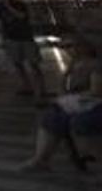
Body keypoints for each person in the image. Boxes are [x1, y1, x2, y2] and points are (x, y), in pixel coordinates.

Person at [20, 39, 102, 171]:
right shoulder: (74, 63)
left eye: (70, 46)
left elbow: (96, 91)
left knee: (80, 122)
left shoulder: (95, 65)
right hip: (79, 101)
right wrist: (64, 90)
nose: (66, 50)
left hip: (92, 102)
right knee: (51, 118)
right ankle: (41, 159)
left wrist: (73, 97)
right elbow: (64, 83)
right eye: (64, 47)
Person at [0, 0, 46, 98]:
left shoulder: (19, 4)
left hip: (25, 37)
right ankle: (26, 85)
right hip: (11, 38)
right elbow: (1, 23)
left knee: (33, 64)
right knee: (17, 63)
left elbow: (22, 16)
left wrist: (8, 6)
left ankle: (41, 89)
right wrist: (3, 39)